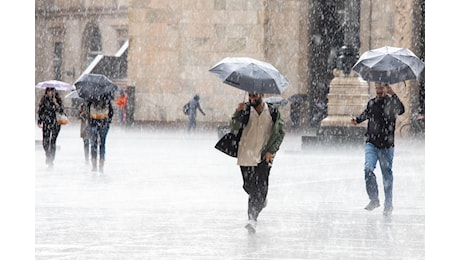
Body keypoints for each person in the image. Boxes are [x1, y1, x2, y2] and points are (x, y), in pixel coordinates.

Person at [229, 92, 285, 233]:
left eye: (254, 96)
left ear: (262, 95)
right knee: (249, 187)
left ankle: (252, 219)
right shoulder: (245, 110)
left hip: (263, 157)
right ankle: (260, 200)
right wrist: (237, 113)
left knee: (259, 189)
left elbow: (280, 133)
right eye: (250, 96)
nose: (251, 98)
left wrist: (271, 151)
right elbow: (233, 128)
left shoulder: (273, 112)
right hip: (245, 156)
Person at [351, 82, 405, 216]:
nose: (379, 91)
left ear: (386, 88)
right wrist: (357, 120)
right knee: (368, 169)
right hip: (372, 143)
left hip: (386, 145)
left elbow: (402, 110)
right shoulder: (372, 103)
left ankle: (388, 204)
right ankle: (374, 199)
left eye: (381, 88)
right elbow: (366, 114)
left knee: (387, 176)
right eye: (377, 88)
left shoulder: (392, 103)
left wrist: (393, 94)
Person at [37, 87, 64, 167]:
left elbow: (62, 111)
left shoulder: (57, 99)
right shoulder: (44, 100)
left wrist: (56, 103)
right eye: (48, 91)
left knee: (53, 141)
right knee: (45, 141)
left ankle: (51, 159)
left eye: (52, 91)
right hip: (46, 122)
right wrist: (40, 120)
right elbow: (40, 111)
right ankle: (48, 155)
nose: (50, 93)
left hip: (56, 123)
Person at [87, 98, 114, 173]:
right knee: (102, 144)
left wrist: (90, 120)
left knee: (93, 144)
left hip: (93, 124)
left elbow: (87, 111)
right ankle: (101, 164)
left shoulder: (91, 99)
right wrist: (108, 121)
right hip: (104, 124)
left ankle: (94, 164)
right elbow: (111, 112)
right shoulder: (107, 100)